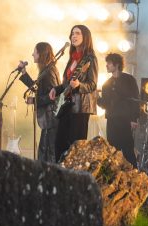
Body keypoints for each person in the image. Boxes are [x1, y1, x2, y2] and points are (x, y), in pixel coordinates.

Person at [49, 25, 98, 161]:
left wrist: (78, 86)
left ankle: (75, 177)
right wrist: (56, 89)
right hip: (67, 106)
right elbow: (67, 83)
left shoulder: (90, 59)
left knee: (76, 147)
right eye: (72, 34)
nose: (73, 36)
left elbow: (92, 85)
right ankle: (60, 175)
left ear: (86, 37)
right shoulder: (72, 58)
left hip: (80, 108)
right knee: (59, 144)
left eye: (77, 33)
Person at [18, 42, 60, 163]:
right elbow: (39, 89)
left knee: (48, 153)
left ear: (41, 54)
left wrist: (35, 100)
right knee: (44, 152)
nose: (32, 54)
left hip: (51, 119)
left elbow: (53, 95)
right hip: (48, 119)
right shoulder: (46, 71)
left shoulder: (49, 71)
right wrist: (24, 73)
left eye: (35, 52)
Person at [97, 53, 140, 167]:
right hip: (112, 121)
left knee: (128, 151)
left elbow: (135, 100)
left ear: (116, 64)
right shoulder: (107, 84)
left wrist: (134, 118)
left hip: (125, 120)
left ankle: (134, 178)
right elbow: (106, 104)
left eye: (109, 63)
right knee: (113, 151)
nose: (106, 66)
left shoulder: (129, 80)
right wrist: (97, 99)